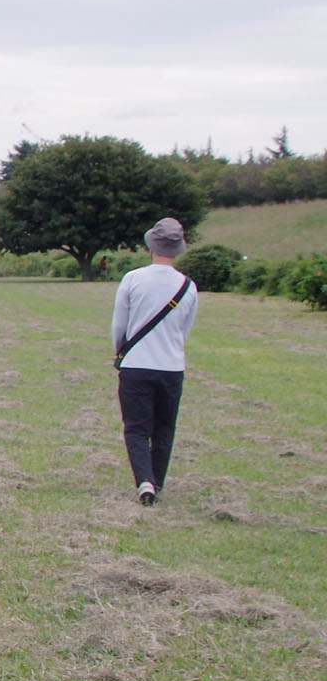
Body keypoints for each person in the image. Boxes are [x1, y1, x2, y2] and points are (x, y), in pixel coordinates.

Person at [112, 217, 200, 507]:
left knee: (136, 428)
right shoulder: (188, 286)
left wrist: (120, 352)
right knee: (164, 428)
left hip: (136, 364)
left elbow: (119, 327)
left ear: (151, 245)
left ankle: (144, 481)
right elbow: (183, 331)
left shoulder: (133, 279)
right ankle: (156, 481)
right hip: (172, 367)